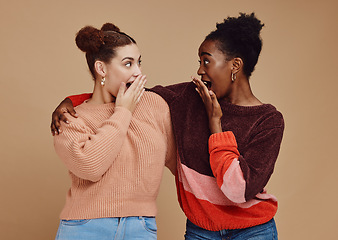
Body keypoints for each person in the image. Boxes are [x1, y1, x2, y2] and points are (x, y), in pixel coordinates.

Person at [52, 13, 284, 240]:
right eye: (199, 61)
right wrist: (72, 101)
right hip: (199, 230)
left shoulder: (267, 120)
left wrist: (216, 124)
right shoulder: (187, 97)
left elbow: (238, 189)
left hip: (252, 229)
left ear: (235, 65)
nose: (200, 70)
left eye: (206, 61)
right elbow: (118, 98)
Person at [52, 22, 177, 240]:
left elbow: (179, 163)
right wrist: (122, 112)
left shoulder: (155, 105)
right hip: (84, 228)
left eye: (139, 62)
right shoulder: (69, 118)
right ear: (101, 68)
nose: (138, 72)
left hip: (141, 227)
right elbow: (90, 166)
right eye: (128, 64)